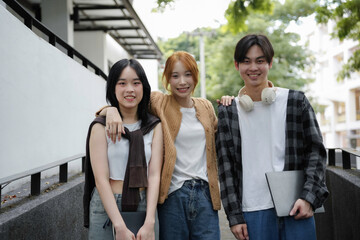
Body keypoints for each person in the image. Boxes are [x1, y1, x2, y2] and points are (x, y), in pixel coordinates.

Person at [216, 34, 329, 240]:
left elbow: (316, 152)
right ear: (236, 65)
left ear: (270, 62)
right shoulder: (228, 112)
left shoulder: (295, 101)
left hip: (296, 206)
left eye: (260, 61)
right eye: (246, 61)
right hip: (252, 212)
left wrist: (309, 197)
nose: (253, 68)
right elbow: (226, 169)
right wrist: (234, 216)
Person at [98, 51, 221, 240]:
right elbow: (129, 100)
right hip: (173, 194)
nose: (182, 82)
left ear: (195, 76)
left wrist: (235, 96)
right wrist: (110, 110)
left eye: (188, 74)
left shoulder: (206, 107)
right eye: (175, 75)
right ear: (167, 79)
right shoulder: (159, 101)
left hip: (205, 195)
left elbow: (218, 134)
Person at [84, 59, 163, 240]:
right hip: (106, 205)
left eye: (136, 83)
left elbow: (154, 175)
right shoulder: (100, 126)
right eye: (122, 83)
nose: (130, 89)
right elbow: (100, 179)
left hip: (144, 204)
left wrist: (150, 220)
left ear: (144, 87)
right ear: (113, 87)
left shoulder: (154, 126)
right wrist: (119, 226)